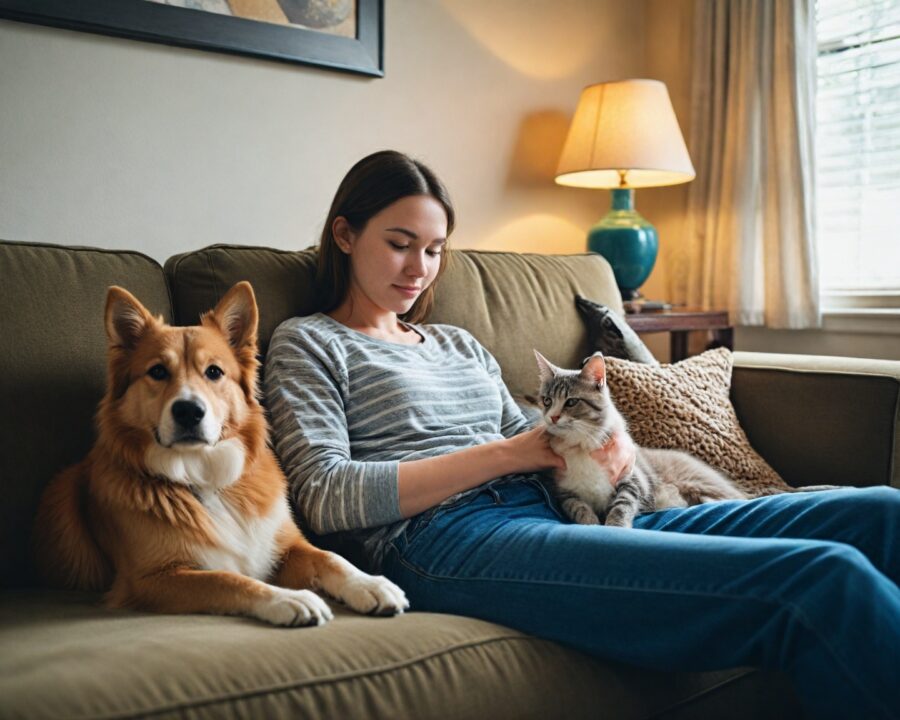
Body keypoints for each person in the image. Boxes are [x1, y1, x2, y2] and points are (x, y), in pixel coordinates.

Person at [264, 150, 900, 720]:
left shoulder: (458, 343)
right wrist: (508, 455)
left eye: (433, 250)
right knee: (821, 576)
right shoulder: (309, 342)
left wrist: (610, 449)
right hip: (448, 539)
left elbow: (536, 435)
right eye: (400, 244)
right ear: (345, 235)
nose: (420, 269)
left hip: (577, 508)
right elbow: (323, 493)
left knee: (881, 513)